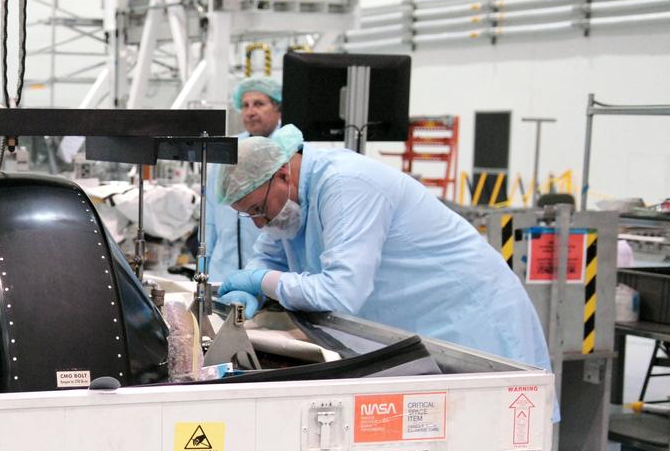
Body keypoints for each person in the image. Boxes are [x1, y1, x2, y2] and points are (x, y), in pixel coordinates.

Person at [216, 125, 551, 371]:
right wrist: (251, 291)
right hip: (417, 335)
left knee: (487, 450)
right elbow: (271, 253)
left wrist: (262, 281)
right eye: (249, 216)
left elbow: (339, 293)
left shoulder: (347, 186)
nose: (259, 223)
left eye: (258, 210)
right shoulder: (290, 203)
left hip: (471, 327)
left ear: (282, 176)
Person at [204, 76, 283, 283]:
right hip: (222, 270)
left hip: (270, 272)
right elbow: (210, 215)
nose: (250, 111)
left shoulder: (288, 150)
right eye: (245, 105)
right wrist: (204, 264)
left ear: (278, 108)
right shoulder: (227, 150)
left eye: (259, 104)